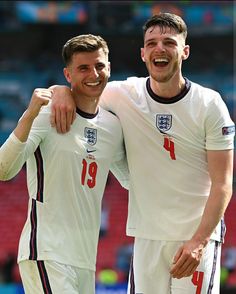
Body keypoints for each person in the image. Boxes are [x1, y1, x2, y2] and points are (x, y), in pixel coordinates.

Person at [49, 13, 234, 294]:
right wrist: (59, 91)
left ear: (184, 51)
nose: (159, 48)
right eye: (152, 43)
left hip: (195, 239)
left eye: (169, 43)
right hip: (147, 237)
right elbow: (80, 89)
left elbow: (223, 184)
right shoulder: (122, 94)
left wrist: (199, 241)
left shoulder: (209, 104)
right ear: (143, 53)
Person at [0, 34, 129, 294]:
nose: (94, 74)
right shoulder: (47, 113)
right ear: (67, 75)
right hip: (48, 252)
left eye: (99, 66)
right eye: (83, 68)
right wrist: (30, 113)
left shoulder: (113, 127)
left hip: (84, 259)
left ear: (109, 68)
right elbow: (4, 170)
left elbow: (132, 181)